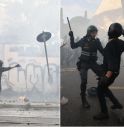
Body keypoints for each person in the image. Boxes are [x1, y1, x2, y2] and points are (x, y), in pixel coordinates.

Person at [93, 23, 124, 120]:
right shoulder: (120, 42)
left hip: (110, 72)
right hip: (115, 71)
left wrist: (106, 76)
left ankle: (104, 112)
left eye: (109, 29)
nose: (107, 31)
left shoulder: (111, 45)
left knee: (100, 90)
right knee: (105, 88)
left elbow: (112, 63)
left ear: (111, 31)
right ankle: (117, 104)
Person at [69, 25, 104, 108]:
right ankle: (83, 99)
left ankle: (101, 92)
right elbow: (73, 46)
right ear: (89, 32)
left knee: (103, 75)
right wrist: (71, 37)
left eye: (96, 32)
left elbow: (103, 52)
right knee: (84, 81)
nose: (95, 34)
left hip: (92, 63)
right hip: (84, 63)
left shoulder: (97, 41)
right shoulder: (83, 40)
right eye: (93, 32)